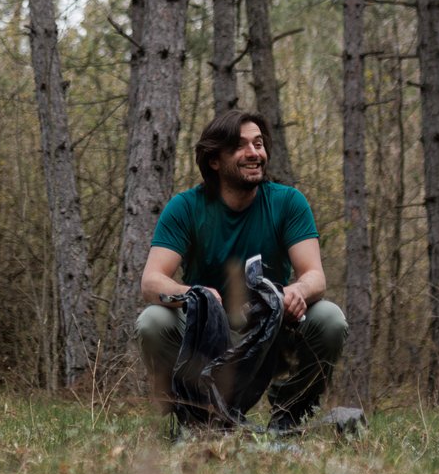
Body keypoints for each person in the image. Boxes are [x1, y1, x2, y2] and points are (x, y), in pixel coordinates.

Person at [135, 110, 347, 432]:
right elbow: (152, 281)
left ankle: (290, 416)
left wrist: (296, 292)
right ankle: (196, 416)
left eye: (258, 144)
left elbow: (315, 275)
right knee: (152, 321)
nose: (254, 153)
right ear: (215, 160)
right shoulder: (186, 207)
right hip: (207, 338)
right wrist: (197, 295)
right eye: (240, 146)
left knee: (330, 318)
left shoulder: (288, 202)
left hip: (274, 332)